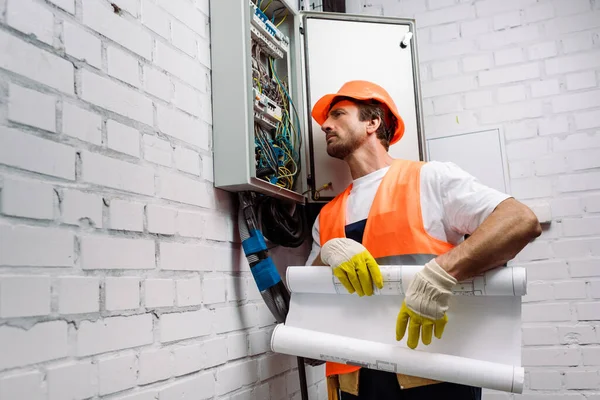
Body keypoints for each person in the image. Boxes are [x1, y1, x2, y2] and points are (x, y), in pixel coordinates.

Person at [305, 80, 542, 400]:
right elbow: (306, 302)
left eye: (338, 114)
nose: (325, 124)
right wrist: (329, 251)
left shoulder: (430, 179)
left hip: (434, 376)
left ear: (372, 122)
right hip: (354, 384)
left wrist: (442, 273)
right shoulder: (327, 215)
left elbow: (519, 221)